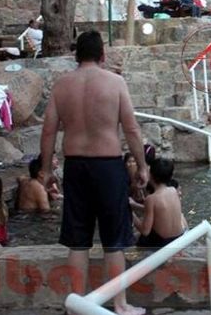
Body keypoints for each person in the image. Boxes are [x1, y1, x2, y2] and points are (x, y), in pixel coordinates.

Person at [40, 30, 149, 315]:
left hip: (75, 165)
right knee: (114, 241)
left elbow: (49, 129)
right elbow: (131, 129)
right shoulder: (115, 82)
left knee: (78, 241)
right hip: (108, 166)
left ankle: (77, 303)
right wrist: (143, 165)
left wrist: (45, 170)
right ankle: (120, 305)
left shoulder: (62, 85)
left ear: (77, 56)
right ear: (102, 55)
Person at [134, 158, 185, 249]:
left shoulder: (151, 199)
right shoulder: (173, 191)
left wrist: (131, 214)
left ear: (151, 175)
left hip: (163, 244)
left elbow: (145, 231)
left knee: (139, 237)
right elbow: (160, 211)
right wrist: (134, 204)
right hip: (179, 238)